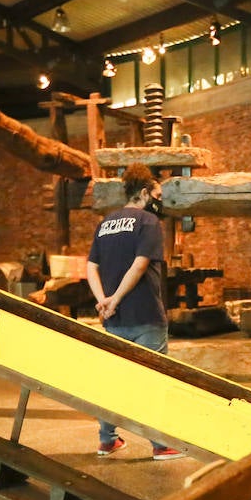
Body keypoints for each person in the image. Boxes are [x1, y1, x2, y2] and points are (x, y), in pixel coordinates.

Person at [87, 163, 186, 460]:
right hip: (145, 316)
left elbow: (91, 266)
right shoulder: (148, 222)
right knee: (153, 380)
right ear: (144, 193)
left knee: (113, 380)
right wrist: (115, 298)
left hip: (114, 321)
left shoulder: (105, 223)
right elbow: (140, 264)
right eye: (157, 194)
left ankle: (107, 441)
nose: (159, 200)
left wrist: (103, 300)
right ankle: (160, 445)